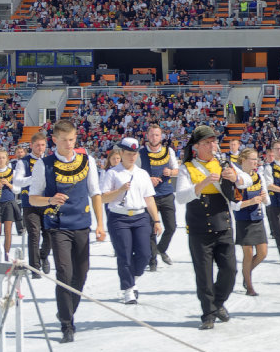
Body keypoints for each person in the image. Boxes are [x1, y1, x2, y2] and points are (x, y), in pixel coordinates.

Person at [27, 119, 107, 343]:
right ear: (54, 140)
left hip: (82, 224)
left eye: (72, 140)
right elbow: (33, 198)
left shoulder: (87, 161)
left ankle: (67, 310)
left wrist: (100, 223)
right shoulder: (44, 165)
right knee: (64, 272)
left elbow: (96, 193)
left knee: (81, 274)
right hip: (58, 226)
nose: (69, 144)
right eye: (64, 140)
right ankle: (66, 324)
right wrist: (50, 199)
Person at [174, 124, 238, 330]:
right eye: (208, 142)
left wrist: (235, 177)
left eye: (214, 142)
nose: (213, 146)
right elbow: (181, 197)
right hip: (199, 228)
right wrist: (202, 184)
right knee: (204, 274)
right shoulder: (187, 168)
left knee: (230, 270)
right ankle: (208, 314)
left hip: (223, 225)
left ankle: (218, 302)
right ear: (197, 146)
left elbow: (244, 183)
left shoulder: (224, 164)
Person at [97, 136, 163, 305]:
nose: (132, 157)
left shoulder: (142, 174)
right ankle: (128, 290)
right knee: (124, 254)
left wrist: (156, 220)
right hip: (119, 217)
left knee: (145, 253)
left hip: (140, 216)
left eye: (134, 154)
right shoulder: (113, 173)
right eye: (128, 153)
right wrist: (119, 190)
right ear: (122, 153)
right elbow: (104, 198)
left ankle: (131, 278)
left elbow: (149, 199)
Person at [231, 146, 270, 296]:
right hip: (244, 219)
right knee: (248, 254)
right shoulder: (238, 179)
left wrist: (264, 198)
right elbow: (235, 205)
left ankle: (246, 272)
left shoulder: (259, 176)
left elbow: (267, 200)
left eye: (256, 159)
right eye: (253, 159)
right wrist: (252, 201)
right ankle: (249, 285)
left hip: (258, 217)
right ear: (244, 160)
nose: (256, 162)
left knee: (263, 253)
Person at [142, 123, 181, 271]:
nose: (154, 137)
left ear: (161, 136)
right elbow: (135, 173)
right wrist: (148, 179)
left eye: (157, 134)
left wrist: (170, 173)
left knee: (171, 226)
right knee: (151, 229)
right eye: (151, 134)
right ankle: (152, 261)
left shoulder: (168, 151)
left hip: (166, 193)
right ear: (147, 136)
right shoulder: (141, 153)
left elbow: (177, 169)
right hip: (149, 196)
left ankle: (161, 248)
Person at [16, 131, 54, 274]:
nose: (40, 148)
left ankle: (43, 256)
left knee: (49, 234)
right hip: (30, 203)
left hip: (47, 202)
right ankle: (34, 267)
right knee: (34, 234)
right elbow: (18, 181)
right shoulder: (23, 162)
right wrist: (34, 178)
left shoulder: (50, 160)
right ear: (31, 145)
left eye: (43, 145)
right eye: (37, 145)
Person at [0, 147, 24, 262]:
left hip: (9, 203)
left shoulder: (13, 172)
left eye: (3, 158)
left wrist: (9, 184)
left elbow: (18, 190)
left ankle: (7, 254)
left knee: (8, 231)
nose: (1, 160)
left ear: (7, 159)